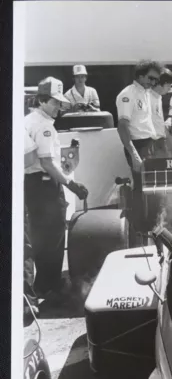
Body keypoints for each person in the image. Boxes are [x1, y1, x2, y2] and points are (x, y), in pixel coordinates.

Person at [24, 77, 89, 313]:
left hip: (32, 185)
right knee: (53, 237)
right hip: (45, 185)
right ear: (42, 101)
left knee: (39, 236)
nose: (59, 107)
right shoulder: (44, 125)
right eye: (55, 103)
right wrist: (71, 184)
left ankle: (42, 286)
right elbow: (48, 163)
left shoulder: (30, 120)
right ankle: (50, 288)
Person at [116, 60, 163, 231]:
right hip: (137, 144)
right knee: (142, 188)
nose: (153, 83)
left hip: (149, 143)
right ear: (140, 75)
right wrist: (134, 154)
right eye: (151, 78)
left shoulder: (146, 94)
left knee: (153, 188)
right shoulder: (127, 95)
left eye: (156, 80)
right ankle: (140, 230)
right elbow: (122, 126)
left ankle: (153, 227)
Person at [150, 67, 172, 156]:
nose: (170, 88)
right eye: (169, 85)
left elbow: (160, 123)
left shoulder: (158, 97)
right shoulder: (147, 98)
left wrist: (171, 145)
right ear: (163, 83)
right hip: (151, 144)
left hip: (160, 143)